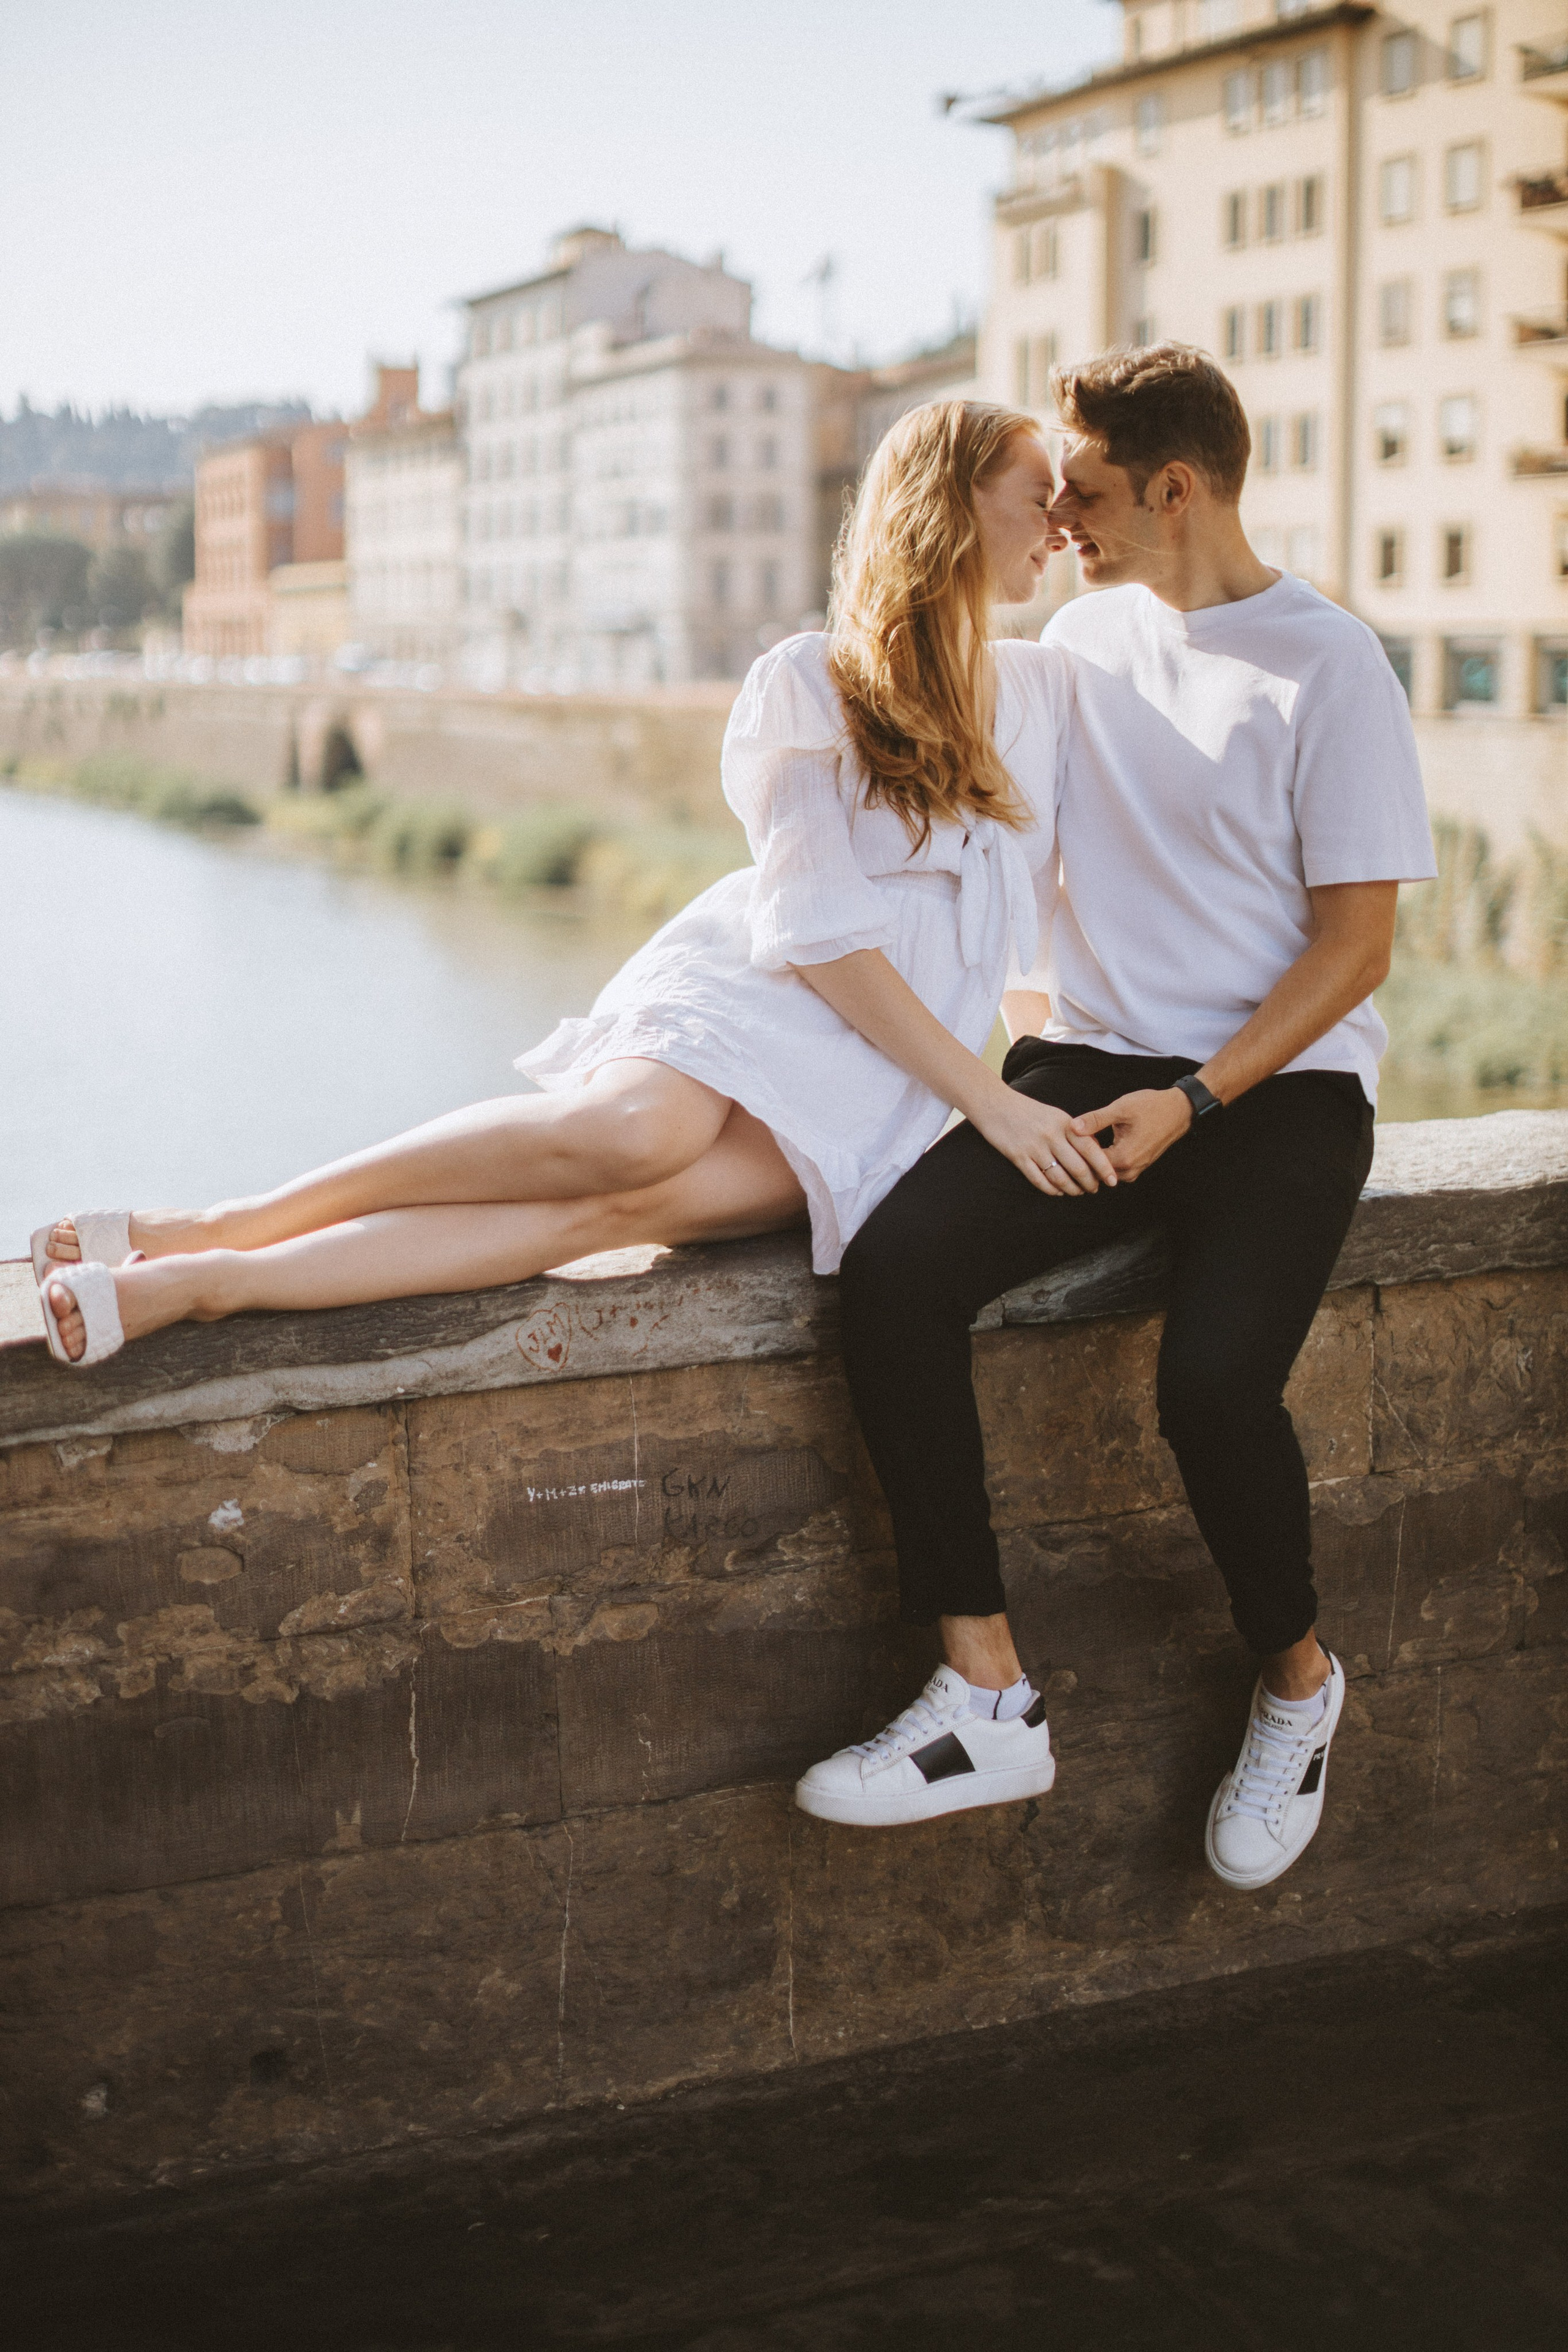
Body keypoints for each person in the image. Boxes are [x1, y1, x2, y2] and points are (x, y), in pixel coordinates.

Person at [34, 390, 1076, 1591]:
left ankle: (217, 1285)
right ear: (948, 505)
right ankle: (227, 1224)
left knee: (606, 1218)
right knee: (628, 1134)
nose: (1056, 524)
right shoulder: (813, 680)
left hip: (881, 1093)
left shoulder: (1043, 697)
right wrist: (991, 1102)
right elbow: (814, 931)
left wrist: (1029, 1092)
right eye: (1035, 495)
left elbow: (1030, 934)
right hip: (766, 997)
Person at [794, 345, 1437, 1894]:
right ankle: (983, 1691)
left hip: (1276, 1092)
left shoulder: (1328, 663)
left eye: (1079, 490)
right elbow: (925, 738)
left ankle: (1296, 1690)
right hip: (1086, 1068)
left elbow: (1354, 948)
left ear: (1174, 486)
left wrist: (1197, 1097)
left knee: (1211, 1392)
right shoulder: (1077, 642)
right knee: (886, 1278)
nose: (1059, 515)